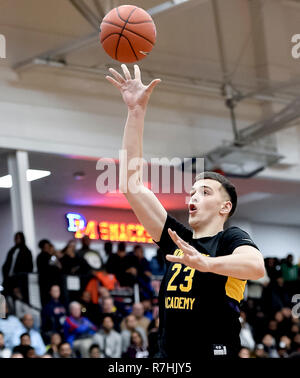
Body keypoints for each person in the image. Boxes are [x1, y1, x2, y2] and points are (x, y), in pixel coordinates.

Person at [105, 64, 265, 359]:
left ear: (224, 206)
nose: (193, 196)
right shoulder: (176, 238)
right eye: (191, 191)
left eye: (204, 192)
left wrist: (206, 264)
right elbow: (130, 183)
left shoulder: (229, 239)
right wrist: (135, 112)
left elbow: (256, 267)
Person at [2, 232, 33, 297]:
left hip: (20, 280)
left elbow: (29, 267)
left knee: (19, 298)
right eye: (16, 238)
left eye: (19, 238)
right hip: (9, 279)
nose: (17, 240)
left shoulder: (26, 251)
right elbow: (7, 264)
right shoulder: (12, 250)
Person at [36, 239, 62, 306]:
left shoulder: (52, 257)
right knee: (47, 301)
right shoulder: (41, 257)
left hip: (54, 282)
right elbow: (49, 268)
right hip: (46, 283)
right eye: (46, 247)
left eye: (48, 246)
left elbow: (59, 267)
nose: (47, 248)